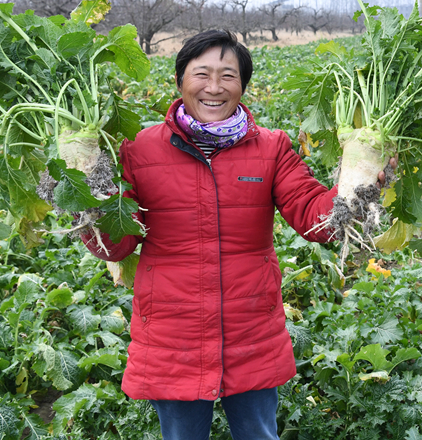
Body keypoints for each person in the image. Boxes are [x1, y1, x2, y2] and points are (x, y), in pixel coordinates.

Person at [82, 30, 390, 440]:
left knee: (259, 435)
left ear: (243, 86)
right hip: (174, 335)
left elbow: (311, 214)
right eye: (201, 74)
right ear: (179, 81)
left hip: (251, 332)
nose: (214, 87)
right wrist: (85, 197)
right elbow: (117, 244)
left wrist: (358, 191)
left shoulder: (272, 148)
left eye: (228, 76)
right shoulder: (138, 150)